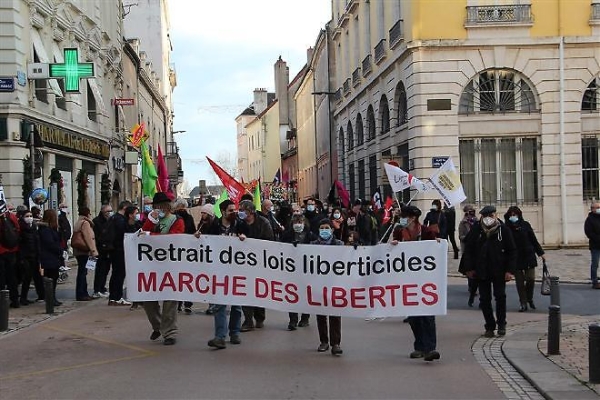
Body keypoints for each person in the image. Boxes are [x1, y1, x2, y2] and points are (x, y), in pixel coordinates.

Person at [389, 205, 441, 361]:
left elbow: (434, 251)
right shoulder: (399, 231)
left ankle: (430, 348)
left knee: (428, 315)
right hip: (407, 280)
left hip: (425, 280)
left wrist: (437, 244)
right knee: (413, 316)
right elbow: (392, 250)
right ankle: (419, 346)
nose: (402, 219)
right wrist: (393, 246)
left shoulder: (426, 231)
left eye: (404, 216)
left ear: (412, 218)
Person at [460, 205, 516, 337]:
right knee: (484, 299)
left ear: (496, 215)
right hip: (482, 270)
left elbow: (512, 251)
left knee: (500, 297)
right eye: (485, 216)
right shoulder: (477, 230)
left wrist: (510, 271)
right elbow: (469, 250)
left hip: (499, 270)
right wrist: (469, 268)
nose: (488, 219)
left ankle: (501, 324)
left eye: (491, 216)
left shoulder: (503, 230)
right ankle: (489, 325)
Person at [141, 192, 185, 345]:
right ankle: (158, 326)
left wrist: (150, 235)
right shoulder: (152, 219)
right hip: (152, 265)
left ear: (168, 206)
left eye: (161, 206)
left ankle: (170, 332)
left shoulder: (177, 220)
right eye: (156, 206)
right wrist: (151, 222)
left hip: (170, 265)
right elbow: (142, 235)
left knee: (170, 299)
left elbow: (173, 239)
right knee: (148, 299)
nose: (158, 208)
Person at [201, 199, 244, 349]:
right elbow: (205, 243)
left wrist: (244, 239)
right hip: (219, 271)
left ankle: (235, 332)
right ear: (223, 212)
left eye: (235, 210)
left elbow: (251, 242)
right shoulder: (213, 226)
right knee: (219, 304)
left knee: (237, 305)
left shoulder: (240, 225)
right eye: (231, 210)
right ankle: (220, 336)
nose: (234, 213)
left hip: (237, 270)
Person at [238, 199, 274, 332]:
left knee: (258, 290)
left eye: (243, 210)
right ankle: (248, 320)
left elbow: (270, 241)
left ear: (250, 211)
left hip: (260, 263)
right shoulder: (240, 223)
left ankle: (260, 317)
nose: (241, 213)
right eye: (240, 210)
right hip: (243, 264)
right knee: (245, 291)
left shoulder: (263, 223)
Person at [312, 218, 344, 355]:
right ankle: (324, 341)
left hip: (335, 283)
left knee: (335, 314)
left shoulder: (339, 244)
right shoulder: (312, 245)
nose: (324, 230)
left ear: (332, 229)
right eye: (322, 228)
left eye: (327, 228)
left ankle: (335, 343)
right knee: (321, 314)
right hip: (319, 283)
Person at [504, 206, 545, 311]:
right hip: (515, 258)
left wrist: (540, 253)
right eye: (511, 215)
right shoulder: (506, 227)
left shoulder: (525, 225)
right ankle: (523, 302)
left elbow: (533, 239)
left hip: (528, 255)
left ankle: (529, 298)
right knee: (520, 282)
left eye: (515, 214)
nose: (513, 217)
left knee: (530, 279)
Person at [280, 213, 313, 330]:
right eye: (295, 223)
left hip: (307, 269)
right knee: (291, 294)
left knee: (305, 294)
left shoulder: (310, 236)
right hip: (291, 269)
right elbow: (280, 248)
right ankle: (293, 320)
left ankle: (305, 318)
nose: (298, 225)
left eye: (300, 222)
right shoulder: (287, 235)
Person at [107, 200, 133, 306]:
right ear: (125, 208)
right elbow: (124, 233)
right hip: (119, 249)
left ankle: (113, 297)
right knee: (119, 274)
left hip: (113, 249)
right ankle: (117, 297)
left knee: (115, 274)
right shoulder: (121, 220)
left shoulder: (113, 218)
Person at [37, 209, 63, 306]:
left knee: (53, 278)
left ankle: (52, 298)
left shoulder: (50, 229)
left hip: (52, 257)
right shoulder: (45, 230)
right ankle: (50, 299)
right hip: (49, 258)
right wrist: (60, 250)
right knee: (51, 279)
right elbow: (50, 244)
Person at [72, 207, 98, 301]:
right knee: (83, 272)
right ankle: (82, 293)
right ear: (88, 214)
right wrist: (93, 250)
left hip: (79, 250)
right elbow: (88, 238)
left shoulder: (78, 222)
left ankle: (81, 293)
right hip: (84, 250)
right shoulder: (85, 223)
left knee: (82, 272)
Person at [18, 209, 43, 304]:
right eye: (27, 216)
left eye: (30, 216)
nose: (29, 218)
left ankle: (41, 295)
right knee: (27, 278)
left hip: (35, 255)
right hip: (26, 257)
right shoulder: (21, 228)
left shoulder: (33, 228)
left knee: (37, 277)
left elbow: (37, 241)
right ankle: (23, 298)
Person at [0, 202, 21, 308]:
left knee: (1, 277)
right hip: (12, 250)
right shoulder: (11, 216)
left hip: (1, 251)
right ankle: (14, 299)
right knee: (12, 276)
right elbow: (18, 230)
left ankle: (2, 300)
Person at [458, 204, 479, 307]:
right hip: (467, 248)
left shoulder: (477, 221)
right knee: (469, 268)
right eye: (469, 211)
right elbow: (460, 236)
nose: (471, 213)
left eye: (472, 211)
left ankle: (475, 287)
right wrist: (467, 237)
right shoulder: (463, 223)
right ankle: (471, 288)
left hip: (477, 248)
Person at [92, 205, 113, 298]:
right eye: (107, 212)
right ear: (102, 212)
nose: (109, 213)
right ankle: (97, 289)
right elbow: (97, 235)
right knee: (100, 270)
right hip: (100, 249)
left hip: (108, 249)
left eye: (110, 211)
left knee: (106, 270)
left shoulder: (111, 221)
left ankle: (102, 287)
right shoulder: (97, 221)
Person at [584, 202, 600, 289]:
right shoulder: (589, 220)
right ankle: (594, 281)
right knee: (595, 264)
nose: (599, 208)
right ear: (593, 209)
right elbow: (589, 233)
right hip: (595, 246)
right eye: (597, 207)